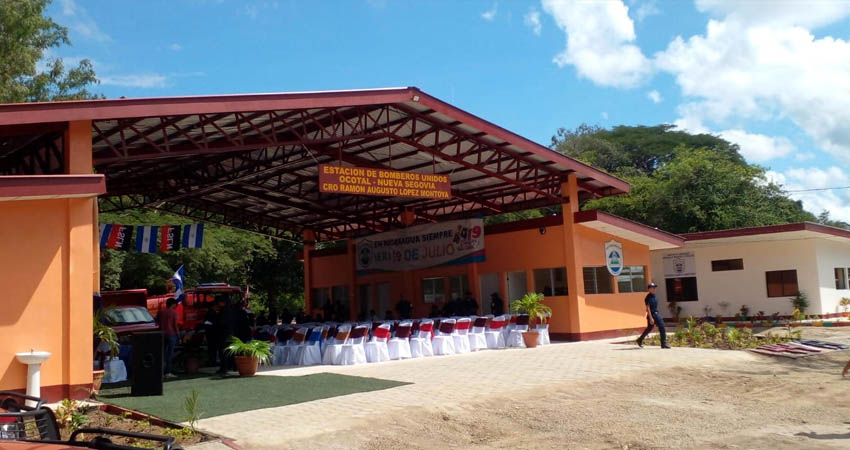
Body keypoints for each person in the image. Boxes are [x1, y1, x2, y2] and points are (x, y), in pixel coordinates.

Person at [636, 283, 669, 349]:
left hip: (656, 313)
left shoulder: (655, 296)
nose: (654, 289)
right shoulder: (648, 297)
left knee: (649, 328)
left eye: (655, 288)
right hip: (653, 314)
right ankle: (663, 344)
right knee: (662, 326)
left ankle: (639, 340)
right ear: (649, 289)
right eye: (653, 288)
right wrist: (651, 318)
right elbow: (648, 308)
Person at [158, 298, 180, 378]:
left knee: (162, 353)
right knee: (170, 354)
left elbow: (158, 322)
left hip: (162, 333)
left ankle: (161, 371)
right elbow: (175, 325)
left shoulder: (161, 312)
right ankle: (168, 371)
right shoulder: (173, 312)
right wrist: (178, 335)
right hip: (171, 334)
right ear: (173, 304)